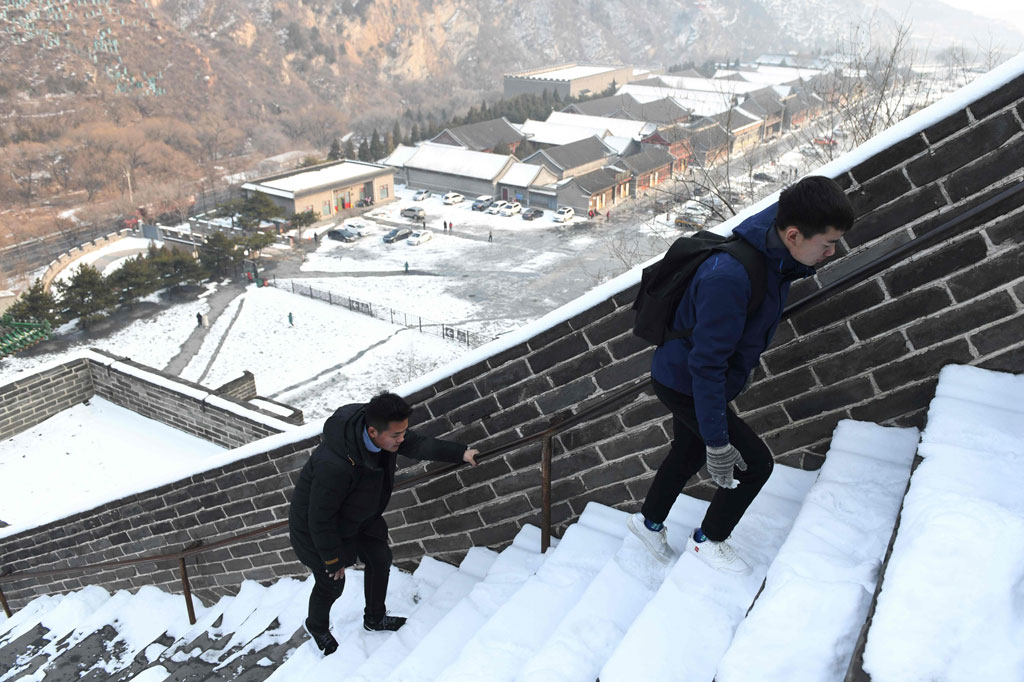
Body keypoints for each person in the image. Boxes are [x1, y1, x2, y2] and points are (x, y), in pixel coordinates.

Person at [627, 176, 855, 575]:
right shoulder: (729, 278)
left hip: (681, 374)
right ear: (794, 235)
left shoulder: (779, 243)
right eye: (827, 244)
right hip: (687, 383)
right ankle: (709, 540)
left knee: (686, 450)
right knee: (755, 465)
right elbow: (707, 366)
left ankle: (647, 524)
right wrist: (718, 443)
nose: (833, 252)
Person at [288, 392, 480, 654]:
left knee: (380, 559)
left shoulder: (387, 434)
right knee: (332, 584)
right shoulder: (333, 465)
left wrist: (461, 453)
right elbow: (320, 517)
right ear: (372, 432)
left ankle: (374, 618)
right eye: (396, 436)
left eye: (404, 432)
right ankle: (317, 625)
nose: (402, 440)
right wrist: (333, 559)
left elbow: (419, 444)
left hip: (360, 516)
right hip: (317, 531)